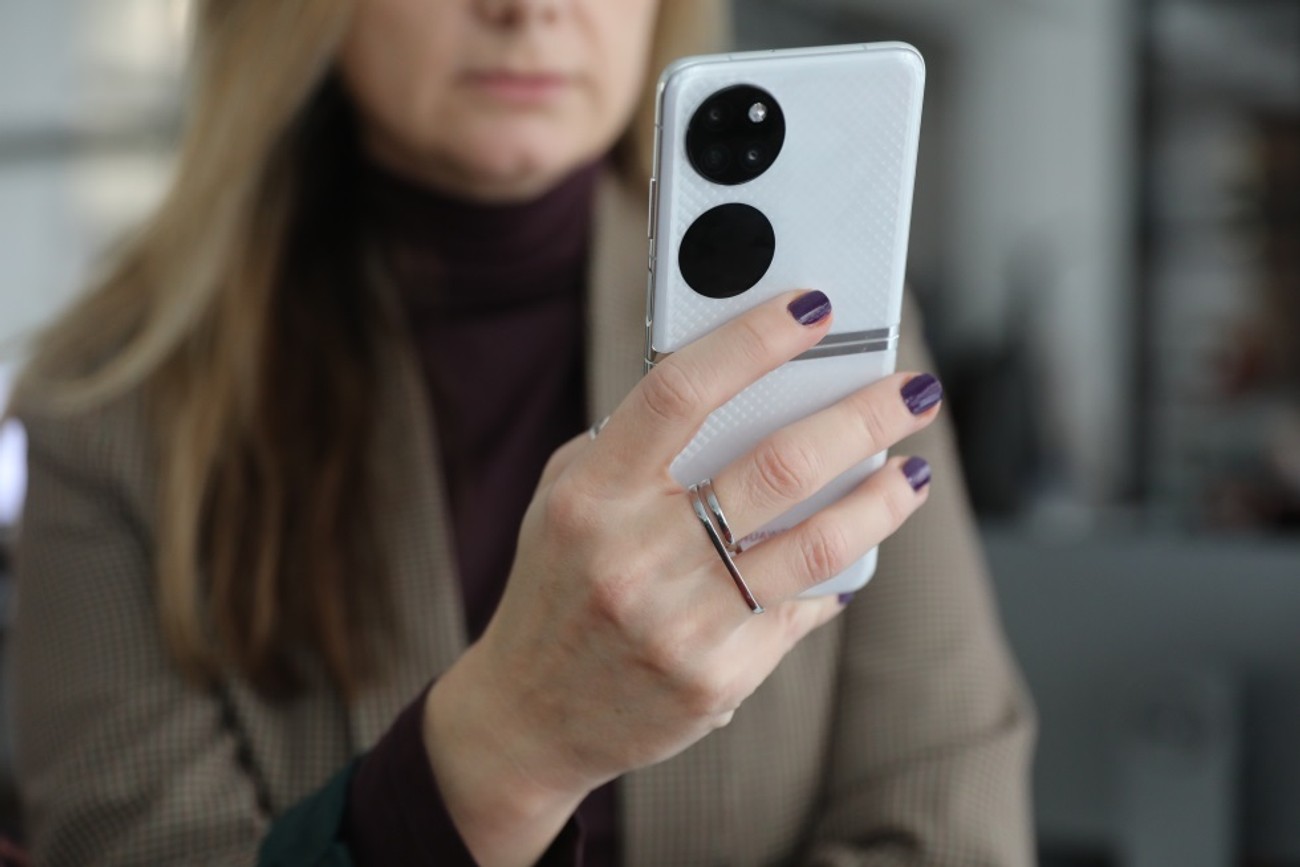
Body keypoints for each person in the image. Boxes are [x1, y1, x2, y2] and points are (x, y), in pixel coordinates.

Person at [8, 0, 1036, 864]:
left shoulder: (835, 340)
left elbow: (947, 818)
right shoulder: (105, 408)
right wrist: (515, 742)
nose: (528, 9)